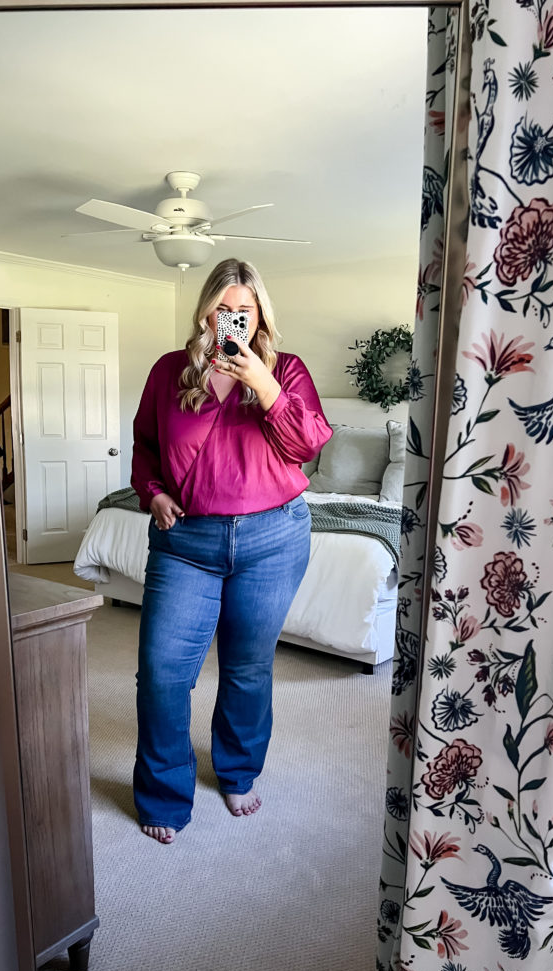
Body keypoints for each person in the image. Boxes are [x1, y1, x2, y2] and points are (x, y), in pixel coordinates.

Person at [130, 257, 332, 843]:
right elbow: (145, 444)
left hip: (272, 539)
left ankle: (238, 772)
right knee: (162, 673)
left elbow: (306, 444)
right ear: (205, 311)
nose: (233, 320)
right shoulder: (171, 371)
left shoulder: (285, 370)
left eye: (245, 310)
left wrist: (261, 384)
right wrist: (153, 492)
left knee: (247, 669)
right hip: (185, 541)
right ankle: (166, 794)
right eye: (224, 308)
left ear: (260, 314)